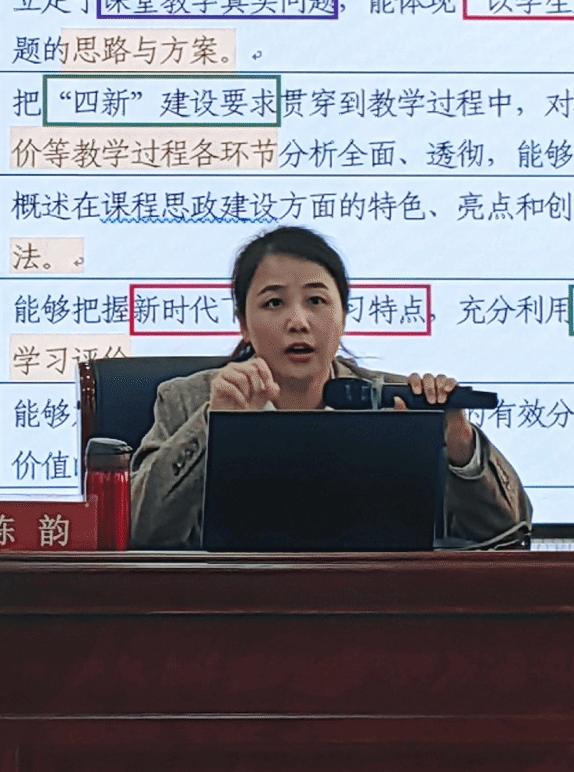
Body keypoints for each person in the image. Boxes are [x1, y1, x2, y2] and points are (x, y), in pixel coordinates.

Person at [129, 225, 531, 549]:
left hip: (372, 608)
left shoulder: (397, 403)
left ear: (343, 316)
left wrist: (459, 443)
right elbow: (137, 529)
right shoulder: (188, 401)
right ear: (244, 324)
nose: (298, 322)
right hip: (229, 610)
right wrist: (212, 424)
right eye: (274, 303)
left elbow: (510, 531)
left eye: (317, 301)